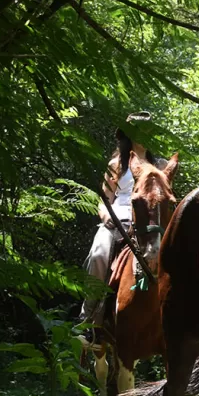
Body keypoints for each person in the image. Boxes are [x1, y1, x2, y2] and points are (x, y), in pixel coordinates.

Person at [80, 115, 166, 331]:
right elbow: (104, 200)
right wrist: (107, 217)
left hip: (149, 224)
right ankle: (87, 319)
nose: (144, 134)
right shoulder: (116, 165)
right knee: (99, 254)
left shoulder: (161, 165)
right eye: (139, 129)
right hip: (118, 221)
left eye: (148, 130)